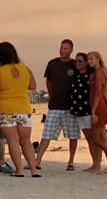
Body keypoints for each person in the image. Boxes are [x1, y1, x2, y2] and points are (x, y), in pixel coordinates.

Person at [36, 39, 80, 171]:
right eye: (61, 48)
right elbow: (48, 81)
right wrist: (51, 94)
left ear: (71, 50)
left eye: (65, 48)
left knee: (73, 135)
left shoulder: (75, 65)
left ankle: (71, 161)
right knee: (47, 134)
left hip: (70, 107)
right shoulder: (53, 63)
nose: (62, 50)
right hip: (54, 105)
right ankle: (37, 161)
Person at [0, 41, 41, 177]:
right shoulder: (25, 69)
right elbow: (33, 86)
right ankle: (34, 170)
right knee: (26, 141)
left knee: (13, 140)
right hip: (24, 109)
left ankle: (19, 170)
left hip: (6, 110)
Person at [69, 52, 97, 171]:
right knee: (89, 138)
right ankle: (95, 163)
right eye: (76, 61)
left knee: (93, 138)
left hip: (87, 111)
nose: (77, 63)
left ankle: (97, 163)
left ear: (86, 63)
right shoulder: (76, 76)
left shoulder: (90, 76)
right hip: (77, 111)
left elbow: (98, 92)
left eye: (80, 61)